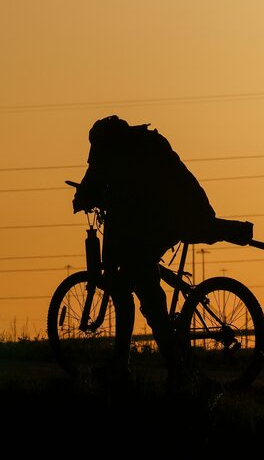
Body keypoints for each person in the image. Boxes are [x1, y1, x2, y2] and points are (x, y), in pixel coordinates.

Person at [71, 115, 216, 387]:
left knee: (147, 293)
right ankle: (122, 365)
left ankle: (175, 371)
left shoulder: (116, 151)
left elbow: (94, 181)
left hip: (165, 221)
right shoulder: (143, 144)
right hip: (181, 214)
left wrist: (82, 199)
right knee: (127, 284)